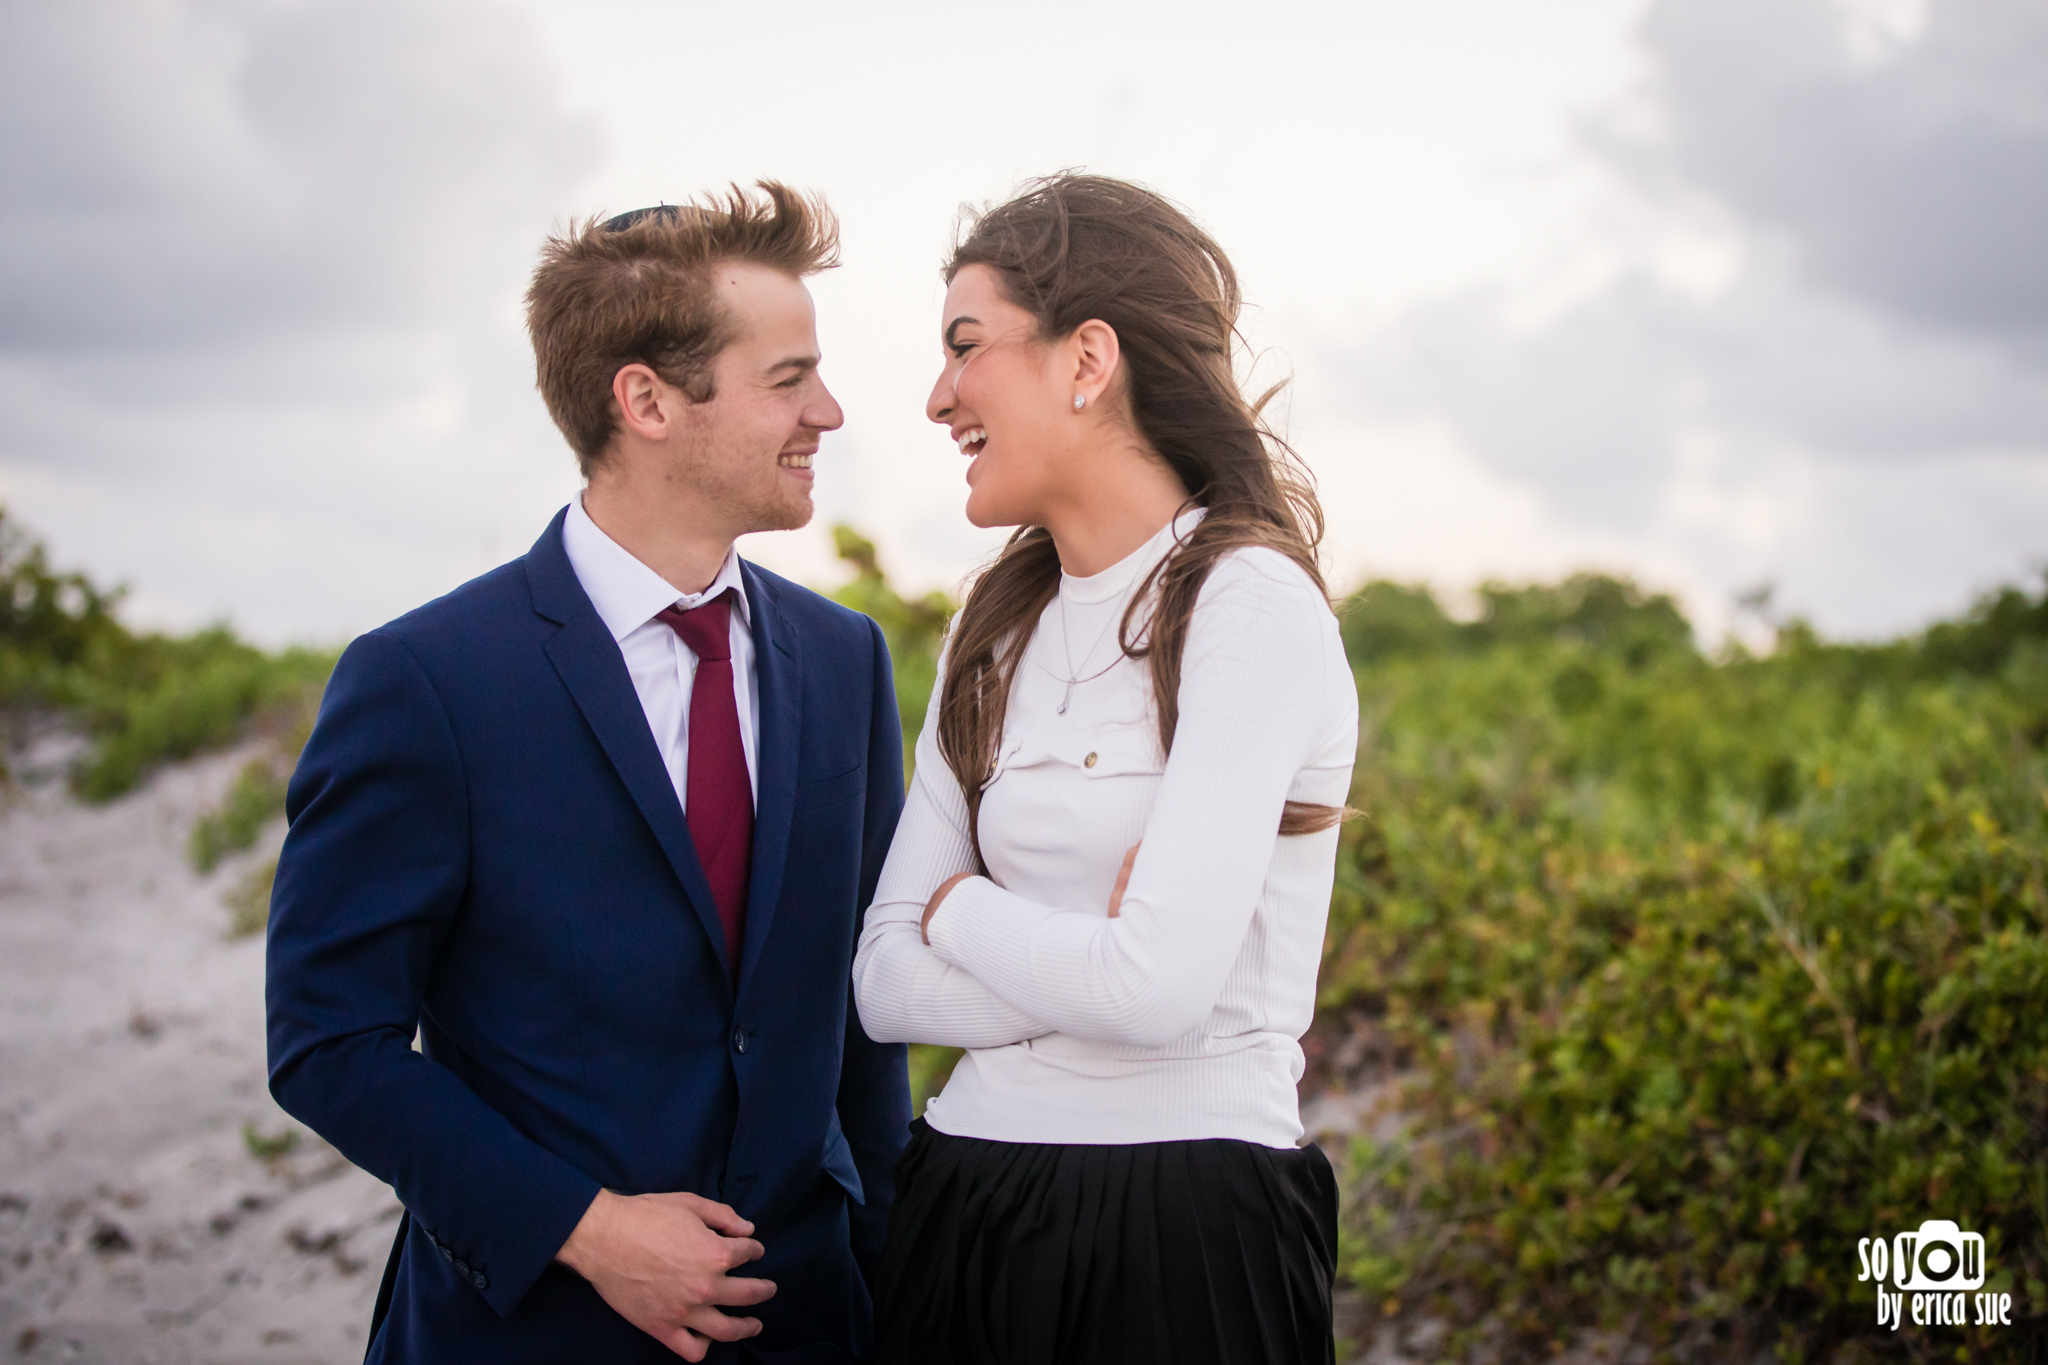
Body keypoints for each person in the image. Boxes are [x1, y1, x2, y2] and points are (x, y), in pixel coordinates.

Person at [266, 184, 911, 1364]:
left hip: (811, 1325)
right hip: (532, 1331)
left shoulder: (843, 659)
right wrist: (583, 1229)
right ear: (646, 400)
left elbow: (863, 1032)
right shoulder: (426, 681)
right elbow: (326, 1040)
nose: (826, 410)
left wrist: (887, 1283)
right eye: (787, 379)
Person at [851, 174, 1360, 1365]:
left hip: (1183, 1229)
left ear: (1087, 360)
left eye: (965, 347)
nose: (936, 397)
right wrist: (1107, 951)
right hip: (963, 1205)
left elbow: (1154, 995)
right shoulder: (993, 624)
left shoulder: (1248, 604)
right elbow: (881, 985)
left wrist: (961, 906)